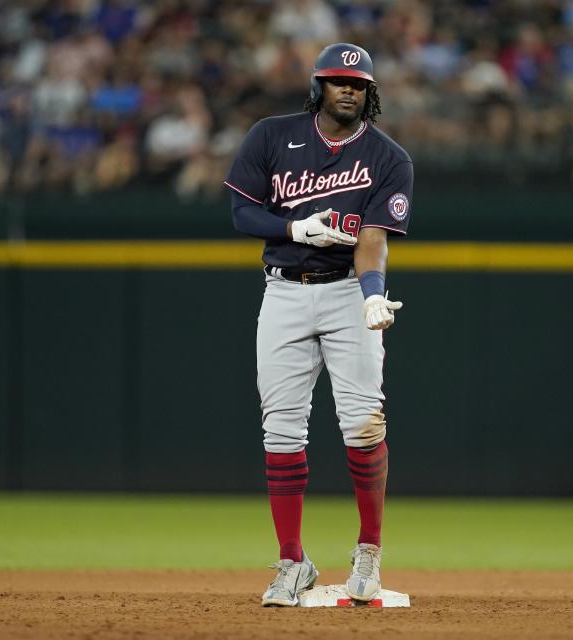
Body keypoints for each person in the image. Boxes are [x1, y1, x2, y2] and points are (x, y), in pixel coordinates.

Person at [224, 43, 413, 607]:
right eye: (336, 81)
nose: (347, 89)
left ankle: (370, 553)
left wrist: (373, 295)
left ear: (369, 90)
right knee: (280, 431)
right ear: (318, 87)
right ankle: (291, 561)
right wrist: (295, 229)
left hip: (346, 294)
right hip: (284, 290)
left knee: (362, 424)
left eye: (356, 82)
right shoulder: (271, 135)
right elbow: (241, 212)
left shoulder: (388, 157)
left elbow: (373, 240)